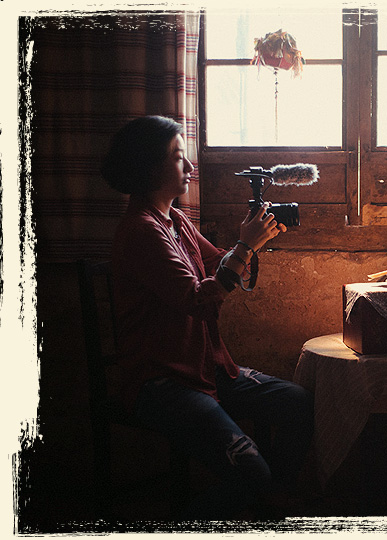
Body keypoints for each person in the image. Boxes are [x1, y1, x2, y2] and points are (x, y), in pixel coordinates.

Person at [101, 115, 314, 521]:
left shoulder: (176, 221)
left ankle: (270, 498)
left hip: (205, 368)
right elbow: (199, 300)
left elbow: (217, 264)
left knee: (296, 402)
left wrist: (252, 241)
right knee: (251, 472)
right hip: (162, 382)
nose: (189, 166)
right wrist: (244, 247)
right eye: (178, 157)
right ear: (149, 167)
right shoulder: (142, 230)